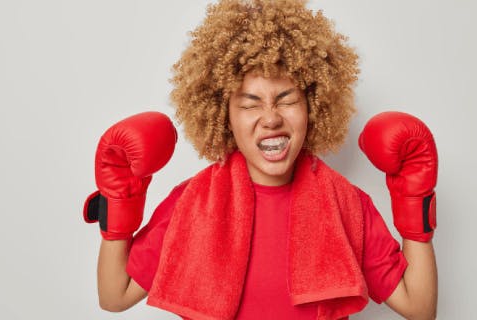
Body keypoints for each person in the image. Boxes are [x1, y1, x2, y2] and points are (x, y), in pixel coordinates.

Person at [83, 0, 438, 319]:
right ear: (224, 116)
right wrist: (120, 199)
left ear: (312, 106)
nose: (270, 118)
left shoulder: (347, 205)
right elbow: (114, 296)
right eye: (250, 103)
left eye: (286, 99)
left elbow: (419, 308)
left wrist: (413, 200)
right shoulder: (190, 203)